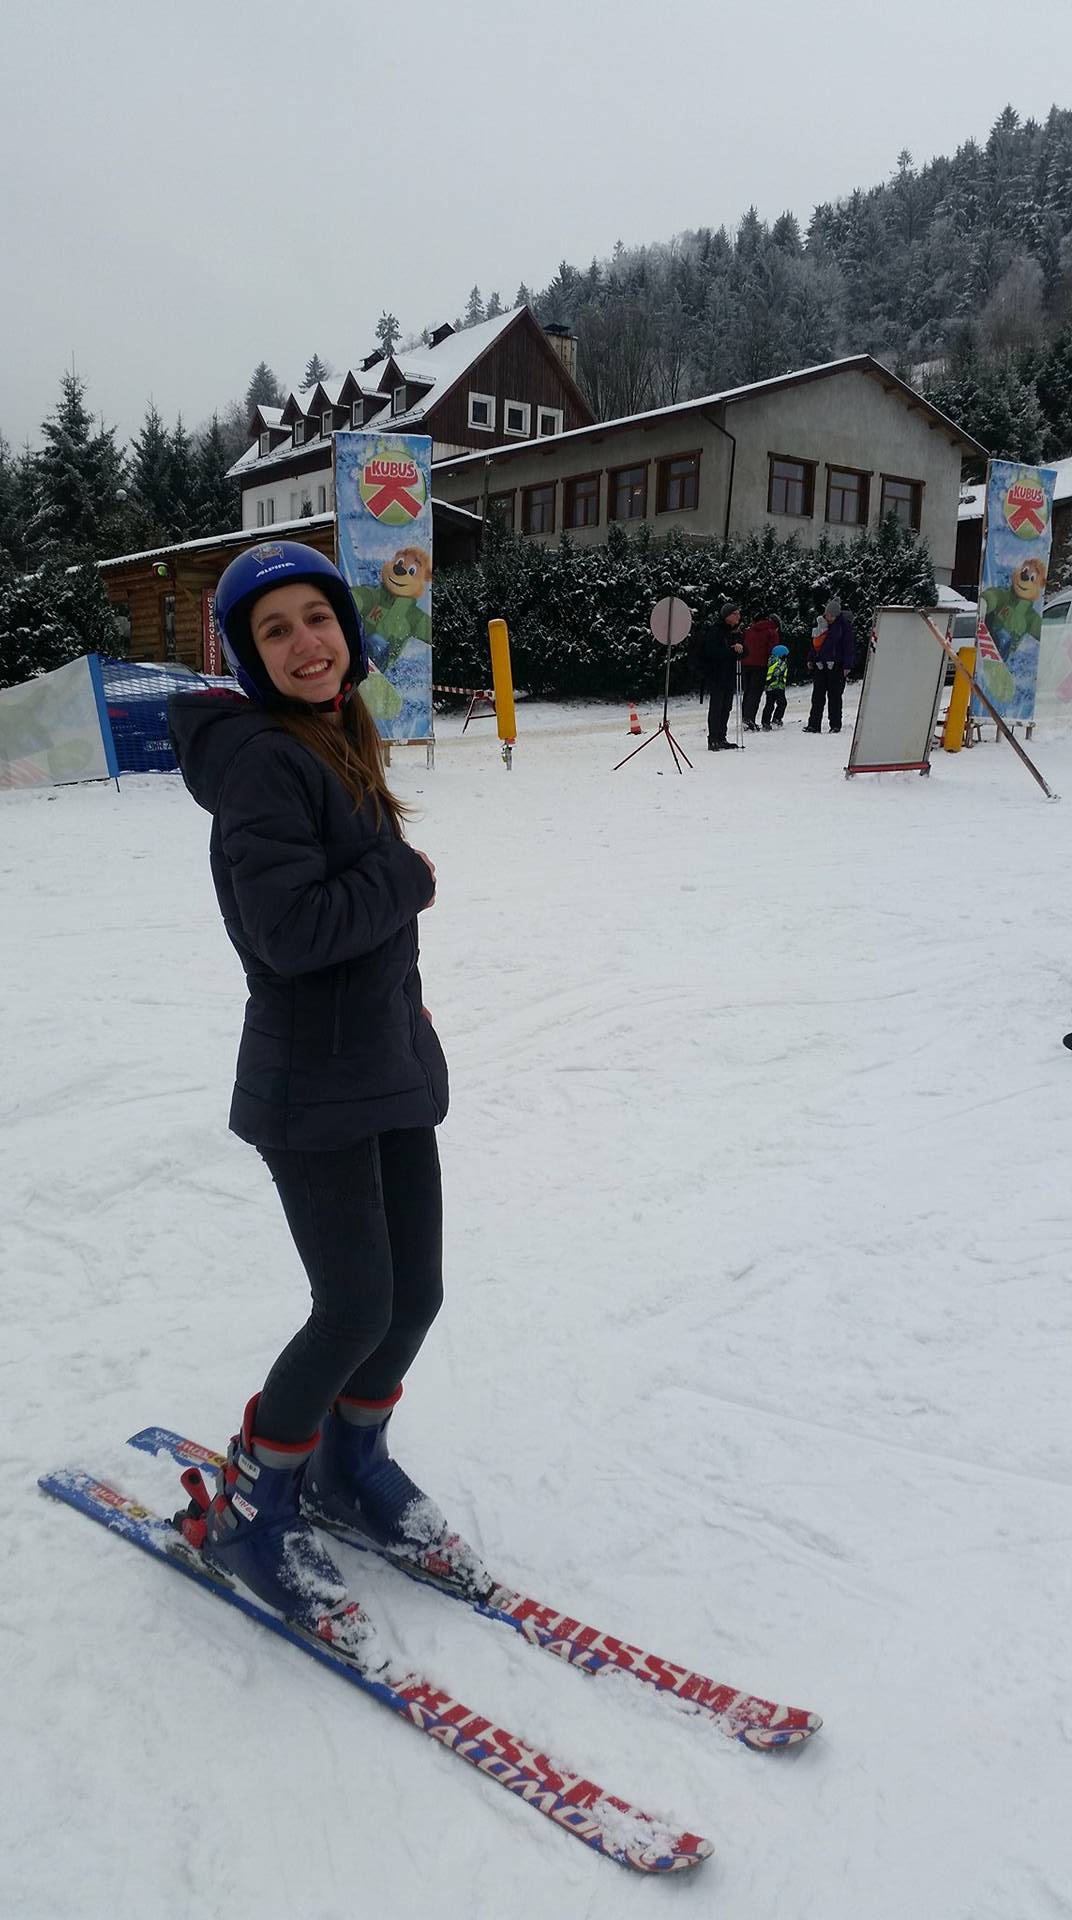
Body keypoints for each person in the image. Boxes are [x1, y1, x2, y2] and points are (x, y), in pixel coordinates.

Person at [166, 539, 485, 1649]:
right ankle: (253, 1506)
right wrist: (402, 873)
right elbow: (291, 932)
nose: (306, 642)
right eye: (275, 629)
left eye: (318, 618)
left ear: (346, 632)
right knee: (353, 1306)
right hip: (311, 1084)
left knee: (414, 1295)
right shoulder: (262, 760)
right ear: (248, 656)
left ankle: (352, 1466)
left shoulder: (333, 732)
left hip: (383, 1063)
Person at [698, 599, 746, 749]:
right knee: (717, 707)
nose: (738, 616)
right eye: (735, 613)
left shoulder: (735, 632)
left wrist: (740, 649)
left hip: (729, 675)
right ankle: (713, 738)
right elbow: (711, 652)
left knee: (726, 707)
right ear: (727, 616)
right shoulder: (716, 631)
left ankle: (721, 736)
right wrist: (731, 650)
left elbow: (745, 651)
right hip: (717, 675)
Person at [804, 596, 855, 734]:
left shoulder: (844, 627)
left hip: (836, 666)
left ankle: (835, 724)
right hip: (820, 665)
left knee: (835, 697)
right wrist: (810, 659)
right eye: (827, 615)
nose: (829, 617)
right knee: (817, 697)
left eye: (832, 615)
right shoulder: (820, 625)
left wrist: (847, 665)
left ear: (837, 615)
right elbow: (815, 645)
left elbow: (848, 647)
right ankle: (813, 724)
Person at [740, 613, 780, 730]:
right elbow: (772, 651)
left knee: (747, 691)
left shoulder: (749, 630)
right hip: (760, 665)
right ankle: (749, 719)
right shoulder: (771, 632)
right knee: (755, 692)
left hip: (745, 663)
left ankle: (745, 717)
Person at [761, 643, 789, 729]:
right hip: (778, 686)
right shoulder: (780, 662)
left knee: (769, 704)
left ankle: (765, 722)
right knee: (782, 703)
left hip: (769, 687)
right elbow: (778, 672)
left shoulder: (771, 660)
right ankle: (777, 719)